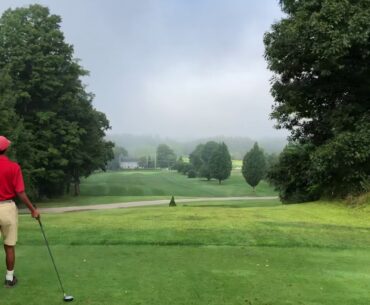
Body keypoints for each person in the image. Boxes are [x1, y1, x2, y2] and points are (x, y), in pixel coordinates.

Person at [0, 135, 40, 287]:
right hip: (7, 208)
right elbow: (20, 192)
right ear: (7, 148)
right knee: (9, 245)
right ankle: (9, 279)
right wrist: (33, 210)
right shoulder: (13, 167)